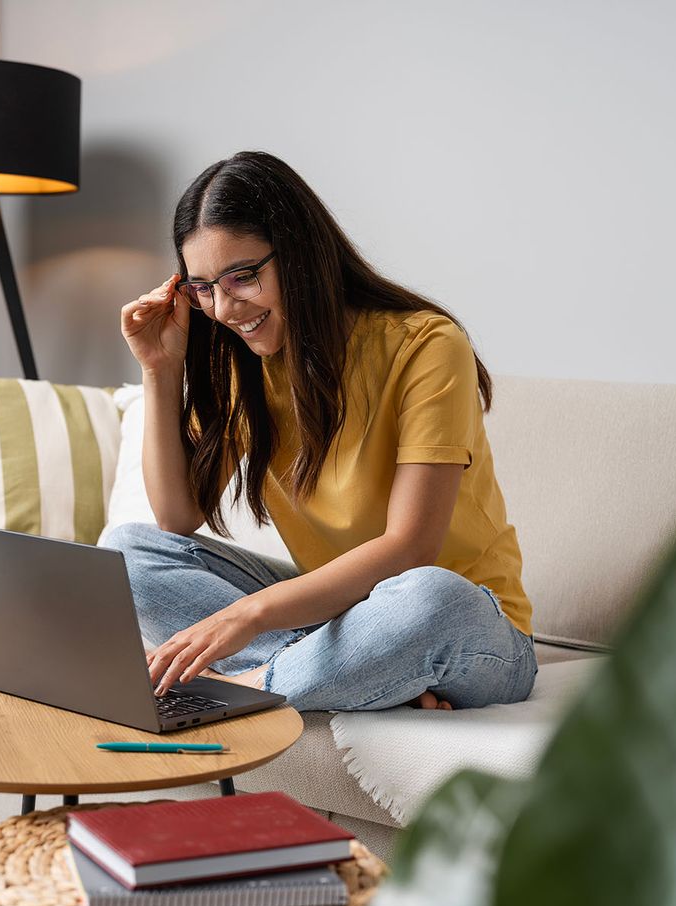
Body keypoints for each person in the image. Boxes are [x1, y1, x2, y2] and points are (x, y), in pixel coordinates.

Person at [101, 150, 536, 713]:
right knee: (126, 552)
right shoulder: (244, 362)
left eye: (243, 277)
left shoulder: (426, 344)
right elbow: (177, 518)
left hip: (475, 628)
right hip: (339, 618)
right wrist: (159, 370)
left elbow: (412, 548)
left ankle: (254, 686)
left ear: (300, 255)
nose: (226, 308)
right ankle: (360, 671)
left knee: (432, 598)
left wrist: (249, 613)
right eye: (203, 287)